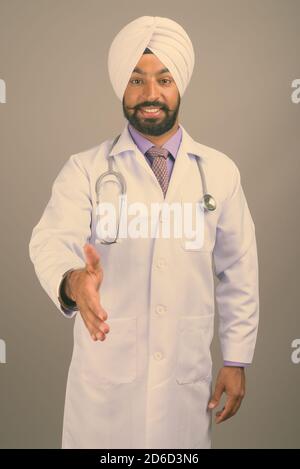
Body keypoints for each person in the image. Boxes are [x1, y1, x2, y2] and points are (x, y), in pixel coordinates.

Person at [29, 15, 259, 449]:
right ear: (122, 85)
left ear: (179, 85)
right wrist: (73, 282)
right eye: (136, 80)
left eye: (164, 79)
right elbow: (50, 239)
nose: (151, 94)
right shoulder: (86, 169)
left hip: (184, 382)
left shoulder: (220, 172)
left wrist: (235, 357)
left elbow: (238, 269)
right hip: (105, 389)